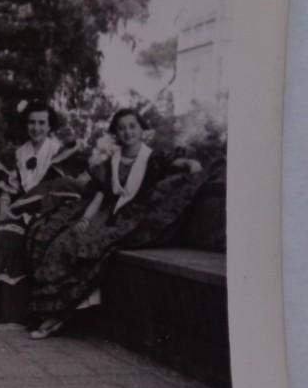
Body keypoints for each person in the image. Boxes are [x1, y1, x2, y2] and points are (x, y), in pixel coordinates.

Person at [27, 108, 205, 339]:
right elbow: (100, 196)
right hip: (108, 214)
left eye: (132, 126)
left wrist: (190, 163)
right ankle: (51, 311)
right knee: (65, 239)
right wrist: (85, 220)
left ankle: (59, 314)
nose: (127, 132)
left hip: (135, 219)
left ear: (142, 130)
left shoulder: (152, 158)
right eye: (121, 128)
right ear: (116, 133)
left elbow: (177, 163)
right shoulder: (111, 162)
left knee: (90, 246)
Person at [0, 102, 86, 330]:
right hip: (16, 209)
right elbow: (7, 192)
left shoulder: (60, 153)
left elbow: (68, 189)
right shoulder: (17, 154)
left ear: (49, 126)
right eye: (32, 122)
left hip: (47, 212)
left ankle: (14, 313)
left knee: (10, 239)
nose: (36, 127)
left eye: (41, 123)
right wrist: (3, 208)